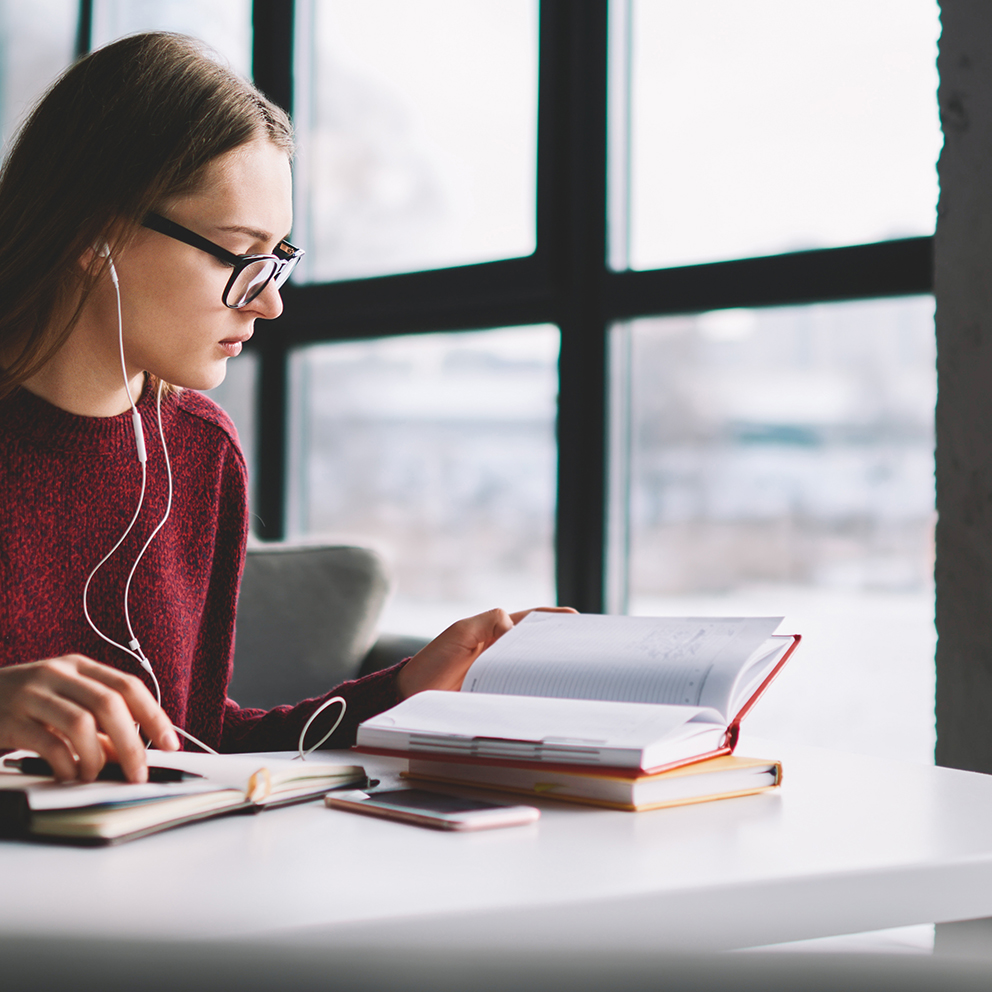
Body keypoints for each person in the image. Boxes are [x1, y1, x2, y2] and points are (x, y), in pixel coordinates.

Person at [0, 32, 570, 785]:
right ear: (94, 230)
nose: (268, 302)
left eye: (278, 260)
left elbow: (192, 744)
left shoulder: (199, 452)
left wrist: (403, 691)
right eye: (239, 256)